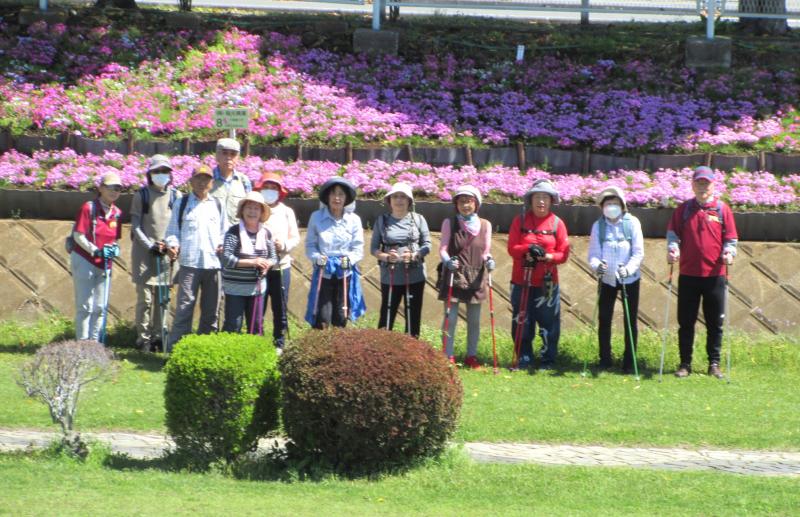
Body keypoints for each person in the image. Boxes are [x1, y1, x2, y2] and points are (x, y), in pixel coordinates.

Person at [667, 166, 738, 379]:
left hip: (715, 276)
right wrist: (673, 249)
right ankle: (685, 364)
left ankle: (714, 364)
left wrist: (729, 253)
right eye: (699, 183)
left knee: (715, 323)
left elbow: (731, 239)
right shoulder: (683, 210)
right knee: (686, 322)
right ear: (692, 185)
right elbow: (673, 235)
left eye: (706, 183)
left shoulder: (722, 210)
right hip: (688, 274)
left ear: (713, 185)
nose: (702, 187)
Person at [506, 179, 570, 370]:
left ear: (551, 201)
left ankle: (548, 359)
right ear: (530, 200)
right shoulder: (519, 221)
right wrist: (528, 249)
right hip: (521, 280)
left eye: (545, 197)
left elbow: (563, 254)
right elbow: (512, 248)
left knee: (549, 322)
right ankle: (524, 357)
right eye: (537, 197)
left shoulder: (558, 223)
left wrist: (547, 256)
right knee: (522, 320)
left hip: (546, 282)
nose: (541, 201)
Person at [164, 165, 226, 351]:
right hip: (189, 264)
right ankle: (176, 352)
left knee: (211, 312)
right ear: (191, 181)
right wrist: (173, 245)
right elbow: (172, 231)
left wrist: (223, 245)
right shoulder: (182, 203)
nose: (202, 182)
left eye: (206, 179)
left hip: (213, 265)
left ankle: (205, 352)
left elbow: (224, 232)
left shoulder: (218, 204)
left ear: (212, 182)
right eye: (198, 178)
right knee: (184, 309)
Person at [587, 186, 644, 372]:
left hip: (630, 279)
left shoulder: (632, 223)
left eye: (615, 203)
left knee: (630, 320)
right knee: (604, 319)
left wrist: (628, 269)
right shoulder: (598, 226)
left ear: (622, 205)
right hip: (607, 279)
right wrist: (598, 266)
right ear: (602, 207)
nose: (611, 207)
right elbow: (593, 254)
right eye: (608, 204)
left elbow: (638, 252)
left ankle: (629, 361)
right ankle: (605, 359)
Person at [129, 155, 182, 352]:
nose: (161, 175)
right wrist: (150, 245)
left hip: (167, 254)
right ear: (150, 174)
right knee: (145, 300)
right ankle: (143, 338)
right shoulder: (141, 195)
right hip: (144, 254)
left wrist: (172, 246)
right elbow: (136, 226)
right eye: (157, 171)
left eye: (165, 171)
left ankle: (160, 337)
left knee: (163, 299)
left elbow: (179, 225)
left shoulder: (176, 196)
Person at [438, 185, 494, 368]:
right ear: (456, 204)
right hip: (454, 275)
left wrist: (489, 260)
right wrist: (447, 261)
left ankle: (472, 356)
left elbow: (486, 251)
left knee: (474, 320)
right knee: (451, 318)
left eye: (469, 201)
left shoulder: (485, 225)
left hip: (476, 276)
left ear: (476, 204)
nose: (465, 205)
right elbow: (443, 249)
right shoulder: (449, 223)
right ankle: (447, 355)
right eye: (461, 201)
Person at [370, 182, 432, 338]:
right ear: (389, 200)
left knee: (413, 316)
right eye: (395, 196)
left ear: (409, 201)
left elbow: (427, 245)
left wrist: (415, 255)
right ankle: (382, 345)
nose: (399, 200)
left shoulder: (419, 219)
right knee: (387, 313)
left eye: (403, 197)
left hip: (415, 275)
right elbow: (374, 248)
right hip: (390, 275)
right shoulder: (382, 220)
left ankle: (412, 347)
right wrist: (386, 257)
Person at [304, 177, 365, 329]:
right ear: (327, 197)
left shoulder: (354, 220)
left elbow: (358, 248)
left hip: (344, 272)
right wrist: (318, 258)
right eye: (333, 194)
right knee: (322, 317)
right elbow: (310, 245)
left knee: (341, 315)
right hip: (323, 272)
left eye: (341, 194)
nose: (337, 198)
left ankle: (339, 342)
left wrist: (349, 260)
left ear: (346, 198)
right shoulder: (316, 217)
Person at [69, 172, 123, 342]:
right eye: (110, 187)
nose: (114, 191)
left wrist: (115, 249)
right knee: (85, 305)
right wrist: (95, 250)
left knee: (100, 306)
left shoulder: (117, 213)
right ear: (100, 188)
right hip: (84, 259)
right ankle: (82, 343)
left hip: (105, 263)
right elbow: (78, 235)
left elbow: (115, 238)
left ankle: (95, 344)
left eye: (118, 188)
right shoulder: (88, 208)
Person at [222, 192, 278, 334]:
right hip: (235, 288)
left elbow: (273, 258)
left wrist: (266, 265)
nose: (252, 211)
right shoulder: (233, 232)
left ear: (261, 213)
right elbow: (226, 258)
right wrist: (253, 262)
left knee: (256, 326)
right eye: (249, 207)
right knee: (233, 326)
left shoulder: (266, 233)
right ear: (242, 211)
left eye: (256, 208)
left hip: (257, 288)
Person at [256, 172, 300, 350]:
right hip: (259, 266)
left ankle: (279, 344)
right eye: (266, 187)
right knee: (258, 307)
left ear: (279, 192)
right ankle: (256, 342)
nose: (269, 191)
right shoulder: (255, 209)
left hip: (281, 266)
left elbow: (295, 237)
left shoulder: (286, 212)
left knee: (280, 307)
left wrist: (284, 245)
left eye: (273, 188)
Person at [211, 137, 252, 227]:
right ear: (217, 156)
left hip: (236, 232)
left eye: (233, 154)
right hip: (213, 231)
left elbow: (249, 208)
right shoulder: (208, 179)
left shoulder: (244, 181)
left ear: (237, 158)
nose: (228, 157)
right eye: (224, 153)